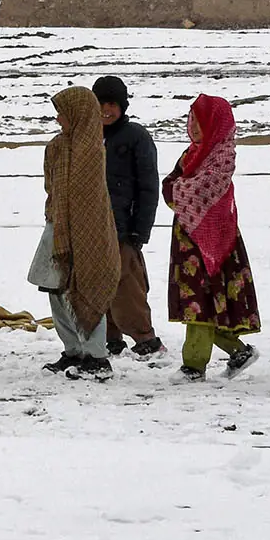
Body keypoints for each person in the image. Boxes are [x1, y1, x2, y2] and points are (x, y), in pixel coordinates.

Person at [27, 86, 123, 381]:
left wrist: (77, 230)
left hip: (89, 234)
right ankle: (72, 349)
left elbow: (90, 199)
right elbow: (51, 188)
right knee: (55, 289)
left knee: (86, 290)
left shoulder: (91, 149)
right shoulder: (56, 147)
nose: (58, 118)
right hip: (57, 229)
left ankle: (96, 356)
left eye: (63, 112)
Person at [163, 94, 260, 381]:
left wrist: (181, 192)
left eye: (200, 121)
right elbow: (170, 188)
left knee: (200, 302)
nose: (193, 126)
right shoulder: (190, 154)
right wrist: (181, 191)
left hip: (215, 244)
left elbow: (196, 192)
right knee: (201, 301)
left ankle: (194, 366)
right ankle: (237, 351)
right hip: (187, 242)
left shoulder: (221, 157)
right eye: (191, 119)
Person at [92, 76, 166, 361]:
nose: (106, 110)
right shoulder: (90, 135)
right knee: (99, 283)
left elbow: (149, 186)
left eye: (112, 104)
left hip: (124, 227)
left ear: (122, 106)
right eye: (101, 103)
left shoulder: (136, 136)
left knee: (127, 285)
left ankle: (146, 340)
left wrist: (140, 229)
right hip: (94, 226)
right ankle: (111, 338)